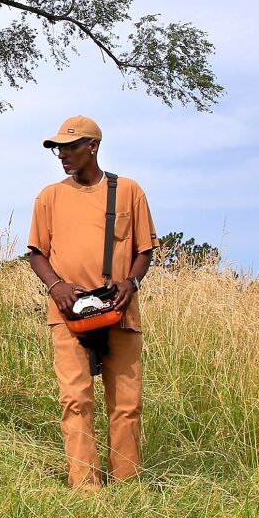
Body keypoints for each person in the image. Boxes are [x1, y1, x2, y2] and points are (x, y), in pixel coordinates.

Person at [26, 116, 156, 491]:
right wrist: (56, 287)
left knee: (127, 403)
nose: (62, 155)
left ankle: (128, 486)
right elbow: (36, 253)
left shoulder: (128, 190)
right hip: (68, 314)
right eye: (58, 149)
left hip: (119, 311)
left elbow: (144, 250)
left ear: (92, 147)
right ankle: (86, 491)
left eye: (69, 147)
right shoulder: (49, 196)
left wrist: (131, 283)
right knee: (75, 401)